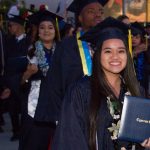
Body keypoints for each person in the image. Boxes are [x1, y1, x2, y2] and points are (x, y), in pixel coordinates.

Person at [52, 17, 150, 150]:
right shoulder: (81, 91)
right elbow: (71, 139)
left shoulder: (137, 91)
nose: (115, 56)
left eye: (121, 51)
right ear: (96, 54)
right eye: (108, 51)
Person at [51, 0, 108, 118]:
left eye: (101, 12)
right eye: (91, 11)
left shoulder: (110, 44)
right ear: (80, 18)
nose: (98, 15)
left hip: (107, 111)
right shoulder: (67, 46)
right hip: (76, 113)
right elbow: (56, 84)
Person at [18, 10, 63, 150]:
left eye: (50, 27)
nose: (46, 31)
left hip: (57, 103)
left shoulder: (63, 52)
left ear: (55, 30)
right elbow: (20, 83)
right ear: (38, 31)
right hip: (35, 106)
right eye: (42, 27)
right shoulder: (29, 52)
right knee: (35, 142)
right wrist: (28, 73)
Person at [4, 10, 31, 141]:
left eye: (11, 25)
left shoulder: (29, 41)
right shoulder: (8, 42)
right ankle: (16, 131)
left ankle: (25, 132)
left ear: (19, 25)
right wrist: (5, 84)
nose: (9, 28)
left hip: (25, 80)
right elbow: (6, 63)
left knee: (25, 109)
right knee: (12, 109)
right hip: (11, 81)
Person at [131, 22, 147, 95]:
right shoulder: (126, 50)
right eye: (131, 37)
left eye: (137, 37)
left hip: (144, 83)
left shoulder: (146, 51)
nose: (133, 39)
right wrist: (133, 53)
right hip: (131, 84)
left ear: (141, 38)